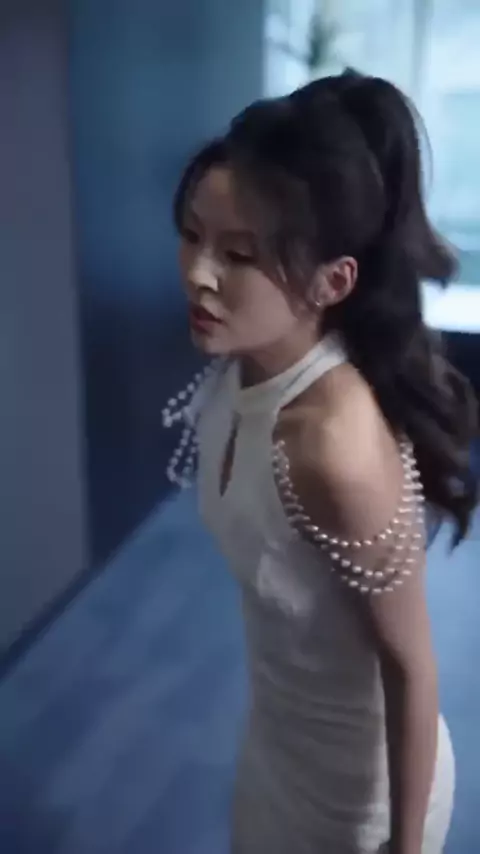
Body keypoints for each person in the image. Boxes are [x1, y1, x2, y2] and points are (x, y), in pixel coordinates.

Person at [163, 70, 478, 854]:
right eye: (193, 235)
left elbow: (413, 670)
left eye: (238, 254)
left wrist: (404, 848)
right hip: (276, 748)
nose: (199, 272)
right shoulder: (240, 365)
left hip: (359, 802)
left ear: (332, 280)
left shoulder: (334, 449)